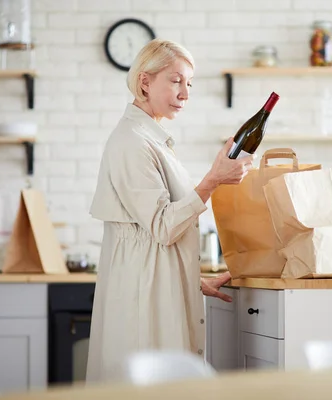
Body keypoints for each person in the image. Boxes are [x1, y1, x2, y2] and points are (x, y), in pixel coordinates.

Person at [86, 38, 254, 383]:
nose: (185, 93)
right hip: (144, 296)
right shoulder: (132, 142)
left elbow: (159, 230)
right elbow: (163, 226)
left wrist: (189, 279)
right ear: (145, 81)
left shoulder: (150, 138)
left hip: (155, 285)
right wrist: (213, 179)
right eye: (176, 80)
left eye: (189, 84)